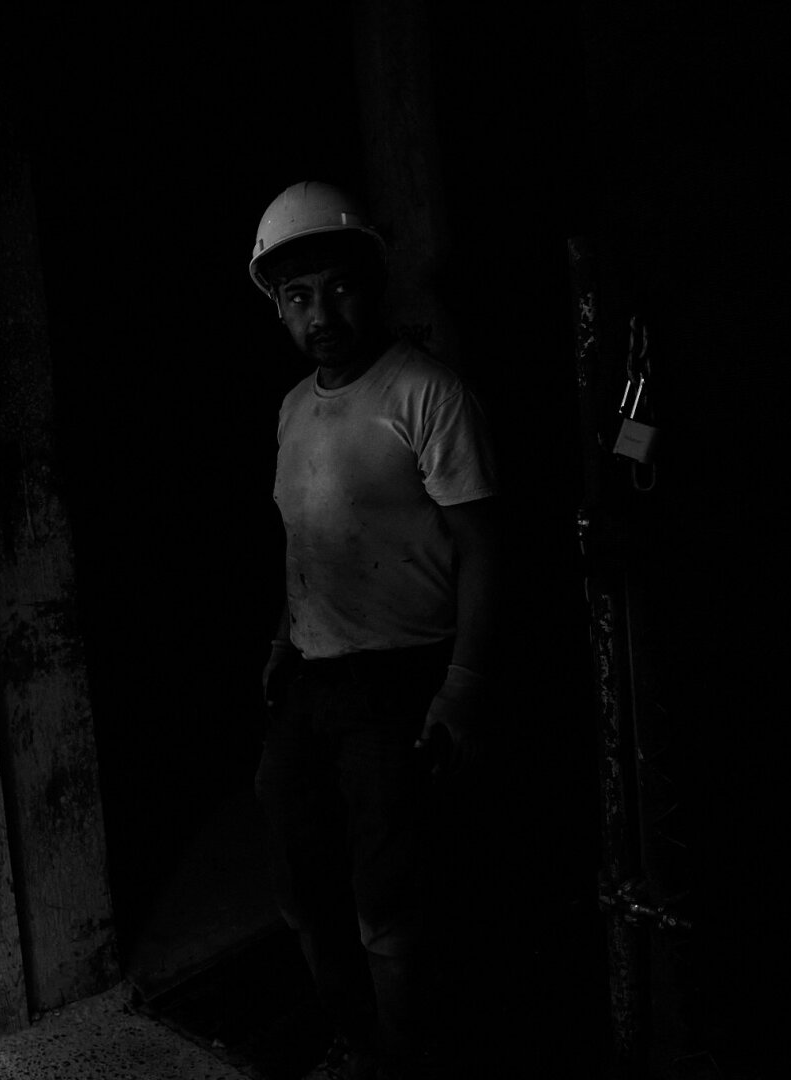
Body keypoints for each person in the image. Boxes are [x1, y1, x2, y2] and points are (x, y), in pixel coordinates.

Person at [251, 182, 500, 1080]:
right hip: (313, 679)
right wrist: (286, 638)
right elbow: (309, 538)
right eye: (298, 296)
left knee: (389, 896)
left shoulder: (428, 394)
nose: (322, 313)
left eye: (339, 288)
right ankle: (350, 1036)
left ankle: (403, 1056)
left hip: (400, 680)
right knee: (298, 877)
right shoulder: (291, 408)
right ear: (278, 306)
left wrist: (463, 688)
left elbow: (482, 548)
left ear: (373, 284)